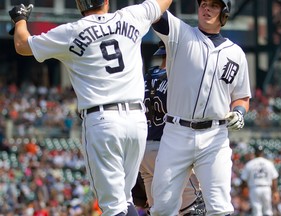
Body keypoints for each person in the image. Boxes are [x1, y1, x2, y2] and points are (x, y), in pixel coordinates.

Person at [8, 0, 172, 215]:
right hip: (136, 120)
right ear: (106, 1)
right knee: (125, 199)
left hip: (103, 121)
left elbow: (22, 45)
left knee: (113, 207)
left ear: (79, 4)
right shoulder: (130, 16)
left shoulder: (70, 32)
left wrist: (20, 18)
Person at [149, 0, 252, 215]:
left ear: (224, 13)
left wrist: (240, 112)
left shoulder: (236, 54)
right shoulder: (180, 33)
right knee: (162, 208)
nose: (206, 8)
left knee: (220, 208)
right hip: (177, 133)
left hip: (215, 136)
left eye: (214, 5)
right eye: (203, 3)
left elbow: (242, 97)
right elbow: (154, 10)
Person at [138, 41, 206, 216]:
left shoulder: (145, 76)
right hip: (168, 150)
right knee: (194, 208)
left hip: (144, 150)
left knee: (158, 211)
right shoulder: (177, 79)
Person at [240, 145, 279, 216]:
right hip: (266, 188)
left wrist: (244, 190)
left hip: (254, 188)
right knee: (268, 210)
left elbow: (243, 179)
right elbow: (274, 178)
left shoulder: (250, 164)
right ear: (263, 152)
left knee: (257, 211)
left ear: (255, 153)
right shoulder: (269, 163)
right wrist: (275, 191)